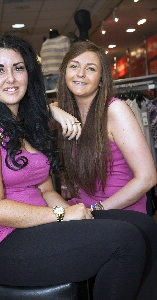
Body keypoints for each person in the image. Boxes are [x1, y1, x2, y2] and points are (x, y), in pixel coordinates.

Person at [0, 35, 157, 300]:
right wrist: (63, 215)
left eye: (18, 68)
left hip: (39, 227)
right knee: (125, 241)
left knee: (144, 226)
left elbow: (46, 189)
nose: (11, 78)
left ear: (29, 73)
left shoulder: (24, 127)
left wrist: (69, 211)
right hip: (0, 243)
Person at [56, 41, 157, 214]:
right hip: (88, 212)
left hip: (120, 214)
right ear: (65, 73)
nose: (80, 74)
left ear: (101, 80)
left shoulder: (115, 110)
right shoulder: (66, 114)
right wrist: (52, 109)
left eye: (91, 69)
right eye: (74, 66)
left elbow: (147, 178)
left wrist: (97, 210)